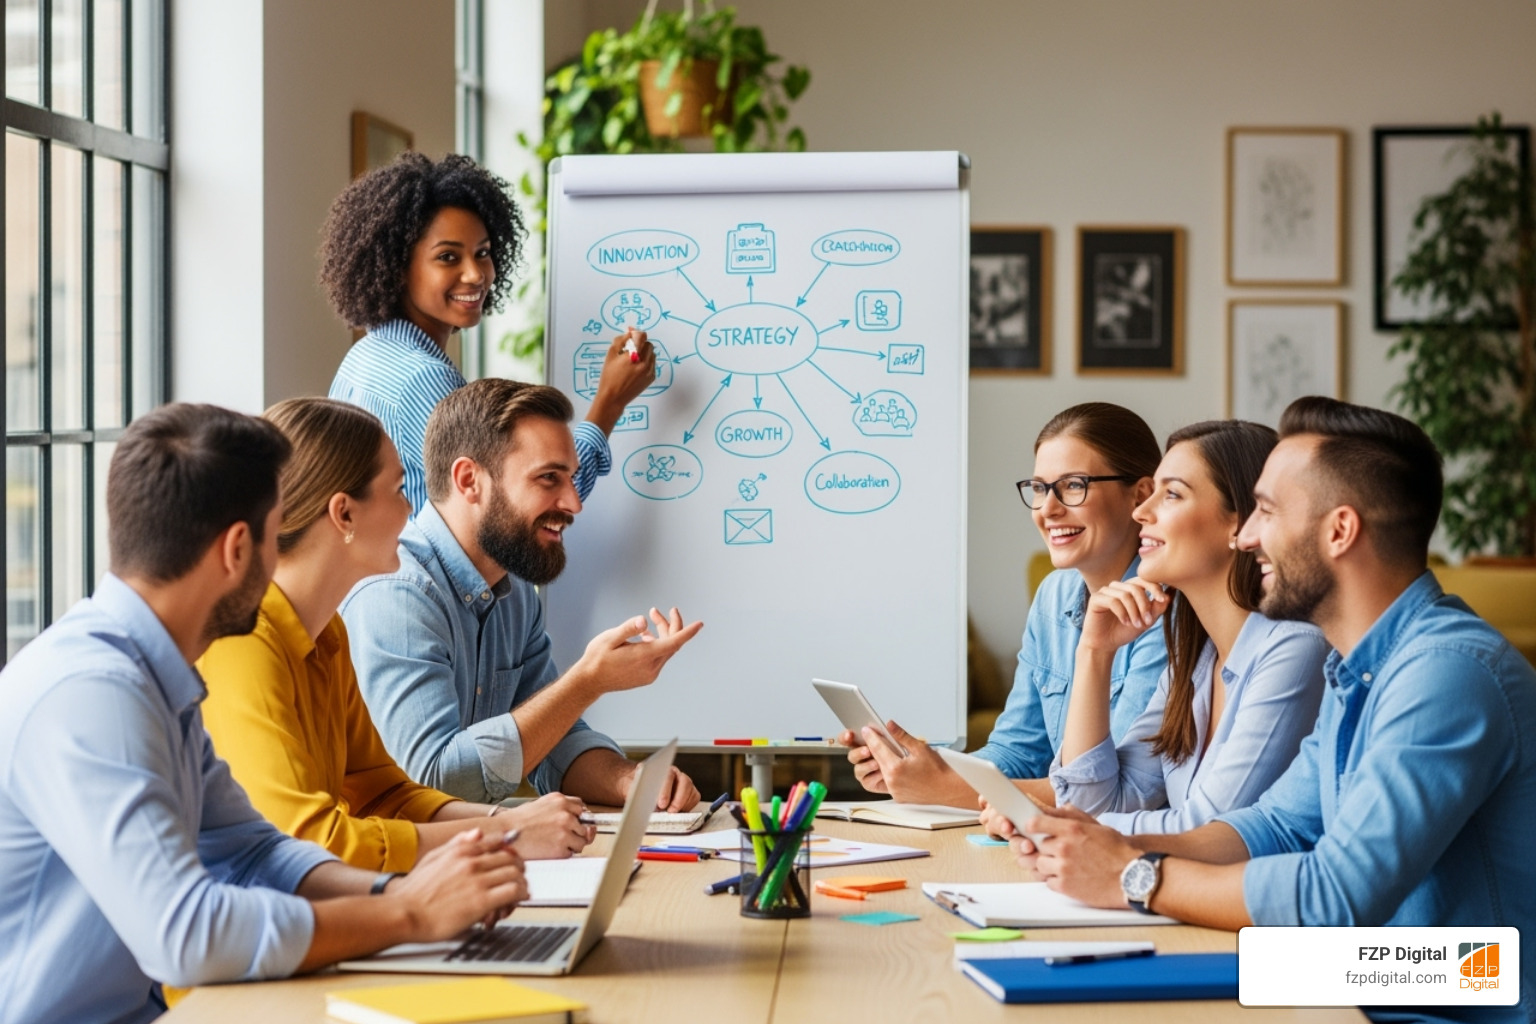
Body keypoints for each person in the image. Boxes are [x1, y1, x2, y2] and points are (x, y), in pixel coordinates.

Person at [1001, 398, 1535, 1024]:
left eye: (1268, 512)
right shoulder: (1356, 668)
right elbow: (1273, 828)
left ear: (1339, 531)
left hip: (1447, 992)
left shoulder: (1446, 674)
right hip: (1374, 974)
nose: (1248, 536)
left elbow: (1336, 895)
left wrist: (1133, 876)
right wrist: (1104, 846)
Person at [0, 404, 527, 1024]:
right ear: (235, 550)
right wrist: (408, 915)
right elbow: (186, 933)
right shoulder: (95, 695)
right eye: (276, 537)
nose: (280, 564)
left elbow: (253, 852)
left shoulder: (155, 679)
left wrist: (408, 893)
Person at [198, 398, 595, 870]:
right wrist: (505, 834)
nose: (412, 511)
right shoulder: (243, 640)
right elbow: (306, 841)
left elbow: (381, 792)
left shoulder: (327, 635)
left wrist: (506, 822)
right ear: (344, 514)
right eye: (398, 490)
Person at [341, 377, 704, 810]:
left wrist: (632, 781)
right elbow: (432, 784)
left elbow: (553, 739)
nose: (573, 502)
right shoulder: (399, 595)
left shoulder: (514, 596)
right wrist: (588, 681)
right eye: (549, 478)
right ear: (469, 479)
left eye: (570, 477)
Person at [841, 403, 1168, 806]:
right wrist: (916, 769)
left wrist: (944, 788)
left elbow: (1112, 792)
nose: (1048, 509)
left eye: (1072, 486)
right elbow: (1018, 753)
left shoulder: (1167, 609)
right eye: (1038, 488)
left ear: (1141, 494)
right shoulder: (1054, 596)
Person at [321, 151, 655, 513]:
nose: (476, 274)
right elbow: (509, 508)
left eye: (482, 252)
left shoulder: (365, 354)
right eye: (448, 257)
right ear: (397, 267)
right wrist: (610, 403)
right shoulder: (425, 379)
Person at [1040, 419, 1327, 833]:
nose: (1141, 511)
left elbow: (1207, 831)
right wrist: (1095, 654)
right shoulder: (1193, 663)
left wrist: (1054, 826)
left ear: (1242, 523)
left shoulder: (1295, 650)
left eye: (1171, 494)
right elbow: (1092, 805)